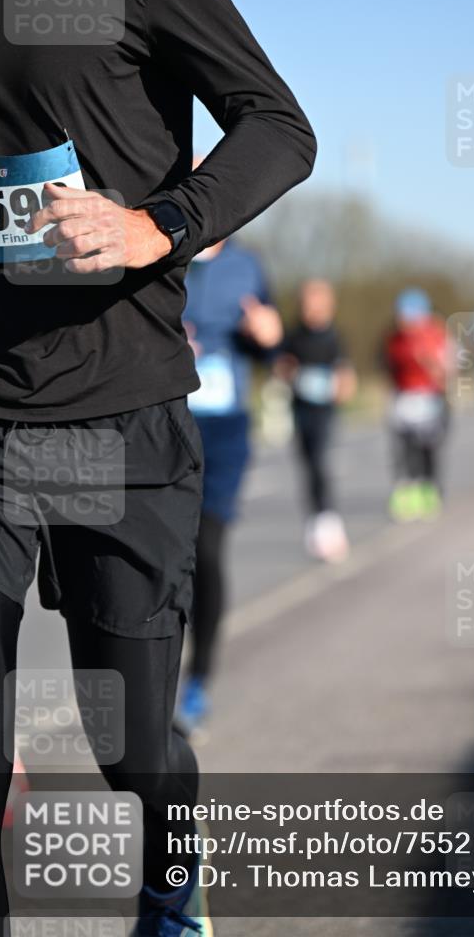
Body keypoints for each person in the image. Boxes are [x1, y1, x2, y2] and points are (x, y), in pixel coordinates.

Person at [0, 0, 316, 935]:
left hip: (117, 407)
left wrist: (161, 224)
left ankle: (171, 887)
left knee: (128, 743)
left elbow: (280, 126)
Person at [177, 236, 282, 731]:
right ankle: (152, 681)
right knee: (164, 560)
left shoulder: (247, 266)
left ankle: (197, 681)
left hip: (224, 430)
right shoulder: (157, 252)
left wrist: (268, 336)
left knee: (208, 550)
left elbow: (272, 346)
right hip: (165, 425)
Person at [277, 279, 356, 562]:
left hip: (325, 411)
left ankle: (329, 522)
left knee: (321, 462)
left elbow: (346, 375)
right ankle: (316, 523)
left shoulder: (335, 337)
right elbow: (282, 365)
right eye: (307, 303)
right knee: (307, 463)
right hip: (301, 410)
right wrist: (289, 373)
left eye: (318, 302)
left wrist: (340, 385)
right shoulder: (294, 336)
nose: (312, 309)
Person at [384, 289, 450, 521]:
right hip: (404, 399)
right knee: (404, 450)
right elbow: (389, 368)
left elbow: (448, 370)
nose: (405, 321)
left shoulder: (437, 335)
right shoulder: (394, 339)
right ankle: (408, 493)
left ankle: (429, 491)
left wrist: (433, 364)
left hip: (430, 400)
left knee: (428, 449)